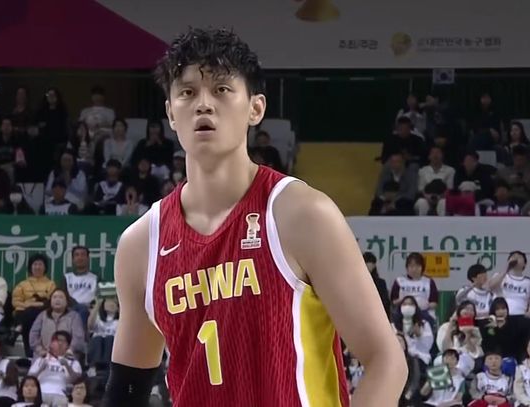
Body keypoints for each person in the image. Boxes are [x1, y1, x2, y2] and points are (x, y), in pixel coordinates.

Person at [106, 27, 406, 407]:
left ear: (255, 109)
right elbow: (127, 391)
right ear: (170, 113)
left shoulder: (301, 214)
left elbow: (386, 360)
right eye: (187, 92)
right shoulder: (140, 245)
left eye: (221, 89)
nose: (203, 104)